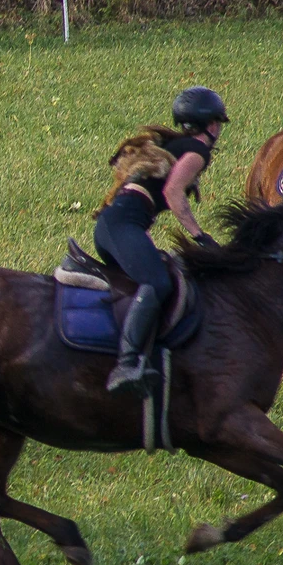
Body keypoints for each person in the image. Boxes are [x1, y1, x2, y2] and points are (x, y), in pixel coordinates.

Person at [93, 87, 227, 395]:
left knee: (152, 281)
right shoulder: (197, 151)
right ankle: (125, 364)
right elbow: (172, 192)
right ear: (210, 124)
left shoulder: (176, 144)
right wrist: (200, 236)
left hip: (119, 226)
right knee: (158, 283)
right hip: (122, 226)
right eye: (219, 121)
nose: (220, 128)